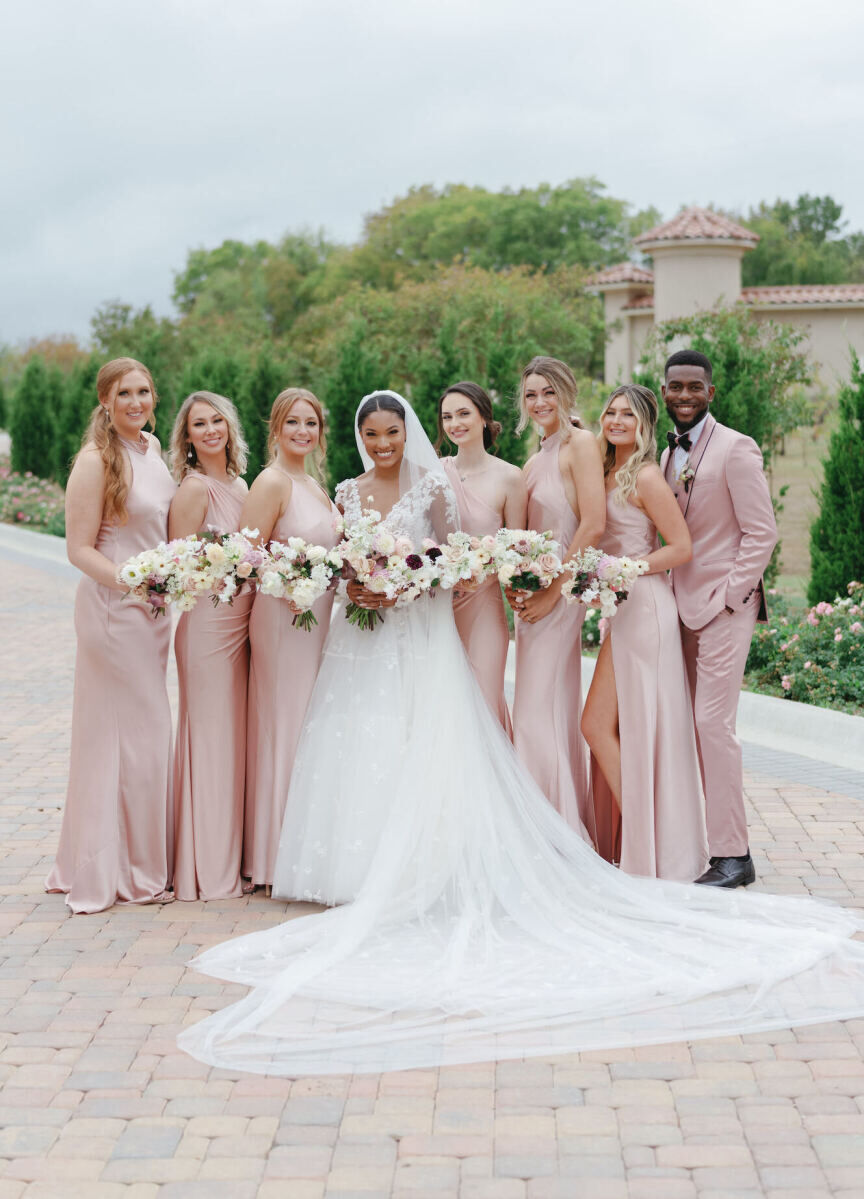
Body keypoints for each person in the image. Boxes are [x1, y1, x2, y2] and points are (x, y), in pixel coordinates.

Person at [177, 391, 864, 1079]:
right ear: (356, 437)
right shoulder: (346, 490)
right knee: (361, 742)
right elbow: (348, 554)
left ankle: (502, 855)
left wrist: (406, 583)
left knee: (445, 735)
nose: (382, 441)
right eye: (370, 432)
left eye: (392, 430)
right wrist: (361, 578)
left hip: (428, 625)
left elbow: (449, 558)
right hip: (360, 641)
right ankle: (354, 868)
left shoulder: (441, 481)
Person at [46, 358, 176, 914]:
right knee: (135, 737)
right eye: (124, 393)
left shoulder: (152, 451)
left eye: (144, 391)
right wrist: (135, 583)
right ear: (105, 399)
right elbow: (78, 550)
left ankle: (127, 858)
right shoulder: (96, 460)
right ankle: (123, 870)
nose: (136, 402)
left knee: (136, 736)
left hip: (154, 612)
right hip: (114, 609)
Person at [581, 385, 708, 881]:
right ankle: (644, 835)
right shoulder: (604, 469)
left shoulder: (648, 477)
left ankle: (648, 841)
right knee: (600, 725)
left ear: (644, 425)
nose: (615, 421)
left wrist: (623, 568)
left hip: (647, 607)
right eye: (610, 412)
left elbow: (681, 548)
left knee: (606, 725)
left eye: (626, 415)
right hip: (623, 611)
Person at [661, 350, 778, 888]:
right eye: (675, 387)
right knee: (686, 726)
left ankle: (734, 855)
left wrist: (733, 597)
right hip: (676, 606)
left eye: (694, 387)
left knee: (713, 725)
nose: (684, 395)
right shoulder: (664, 453)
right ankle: (699, 844)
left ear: (711, 391)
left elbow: (762, 532)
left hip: (724, 609)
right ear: (664, 392)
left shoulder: (735, 448)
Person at [241, 389, 340, 892]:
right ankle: (274, 856)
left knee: (307, 728)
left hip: (318, 620)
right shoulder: (272, 481)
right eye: (293, 423)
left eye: (312, 424)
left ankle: (301, 847)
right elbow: (246, 557)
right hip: (284, 619)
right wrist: (290, 583)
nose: (303, 432)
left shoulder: (316, 486)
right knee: (285, 727)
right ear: (275, 428)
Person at [510, 356, 605, 838]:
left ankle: (549, 834)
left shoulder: (580, 444)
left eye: (548, 391)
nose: (540, 401)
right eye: (531, 394)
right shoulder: (534, 459)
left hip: (560, 598)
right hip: (534, 601)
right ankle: (556, 823)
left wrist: (553, 592)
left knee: (532, 714)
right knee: (546, 708)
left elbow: (593, 522)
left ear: (567, 393)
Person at [169, 391, 252, 901]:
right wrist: (223, 562)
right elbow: (179, 565)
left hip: (245, 626)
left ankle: (233, 854)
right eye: (199, 424)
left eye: (217, 420)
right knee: (211, 741)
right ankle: (206, 866)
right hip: (206, 628)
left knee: (234, 743)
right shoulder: (194, 489)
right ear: (188, 437)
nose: (210, 430)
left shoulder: (242, 484)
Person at [438, 381, 527, 732]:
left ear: (484, 418)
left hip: (485, 607)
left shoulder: (510, 477)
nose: (455, 423)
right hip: (439, 606)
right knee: (445, 706)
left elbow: (517, 551)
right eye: (447, 416)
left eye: (463, 414)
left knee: (484, 703)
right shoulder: (435, 473)